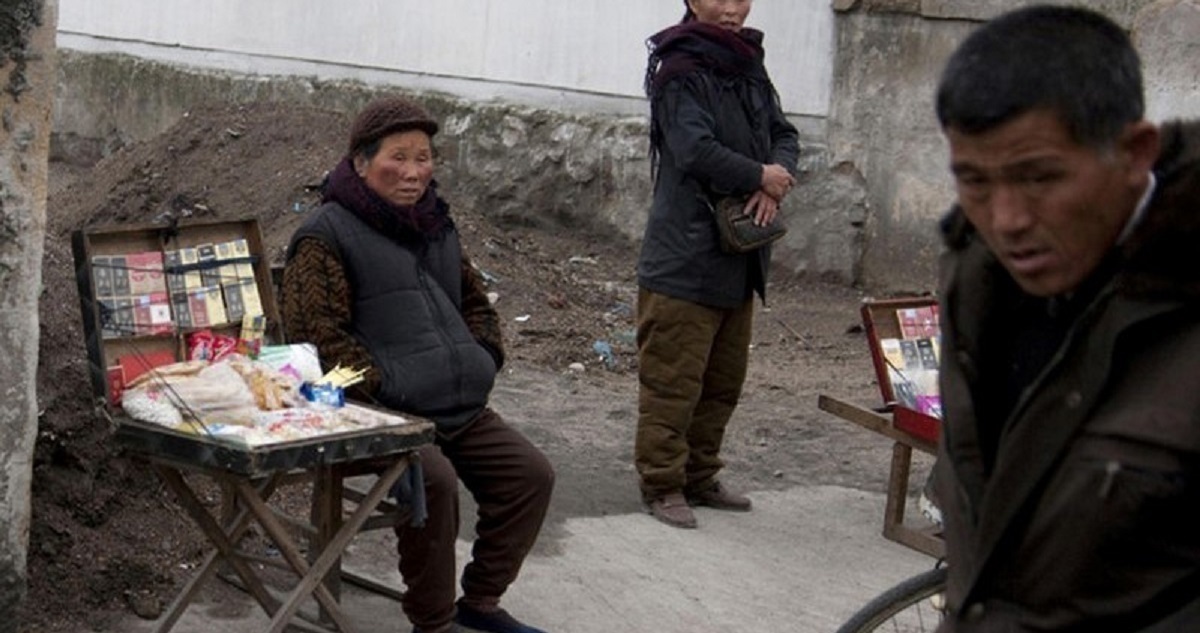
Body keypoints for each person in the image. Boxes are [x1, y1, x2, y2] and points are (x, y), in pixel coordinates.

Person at [930, 5, 1200, 631]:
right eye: (973, 181)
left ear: (1135, 152)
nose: (1007, 220)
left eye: (1039, 177)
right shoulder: (976, 283)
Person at [281, 96, 554, 633]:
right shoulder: (324, 234)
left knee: (530, 475)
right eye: (398, 157)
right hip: (380, 414)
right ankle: (433, 622)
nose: (413, 172)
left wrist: (483, 357)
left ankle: (479, 603)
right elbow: (318, 341)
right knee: (436, 482)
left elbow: (474, 302)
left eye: (423, 158)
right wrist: (386, 388)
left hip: (457, 406)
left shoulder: (437, 224)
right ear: (361, 163)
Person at [636, 0, 799, 529]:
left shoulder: (748, 61)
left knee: (723, 379)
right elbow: (692, 149)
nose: (731, 8)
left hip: (739, 257)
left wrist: (774, 179)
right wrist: (758, 176)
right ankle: (662, 483)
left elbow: (784, 133)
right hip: (684, 256)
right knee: (674, 380)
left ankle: (701, 475)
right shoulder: (678, 68)